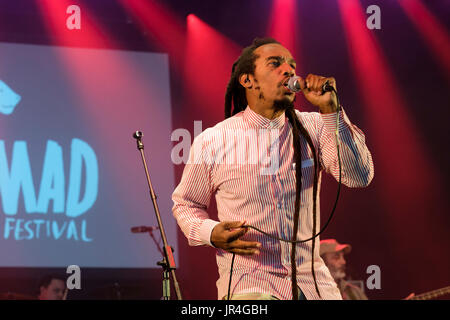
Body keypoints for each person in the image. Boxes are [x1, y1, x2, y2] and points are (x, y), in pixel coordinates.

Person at [172, 37, 374, 300]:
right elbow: (185, 204)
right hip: (250, 283)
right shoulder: (213, 140)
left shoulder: (315, 125)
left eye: (292, 65)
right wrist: (211, 233)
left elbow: (359, 177)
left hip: (313, 284)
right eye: (275, 64)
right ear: (248, 80)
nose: (289, 70)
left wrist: (332, 111)